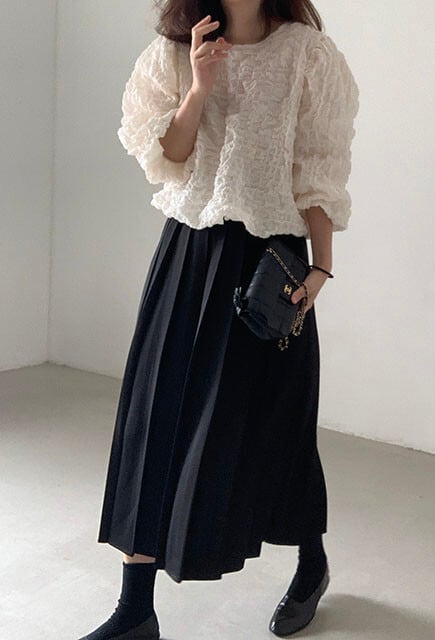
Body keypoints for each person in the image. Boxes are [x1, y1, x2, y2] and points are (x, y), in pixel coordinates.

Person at [78, 1, 358, 638]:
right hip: (189, 250)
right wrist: (200, 85)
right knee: (158, 416)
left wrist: (321, 267)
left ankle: (311, 565)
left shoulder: (307, 54)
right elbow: (169, 153)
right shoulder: (177, 50)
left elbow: (317, 168)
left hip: (271, 261)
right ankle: (135, 610)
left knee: (278, 425)